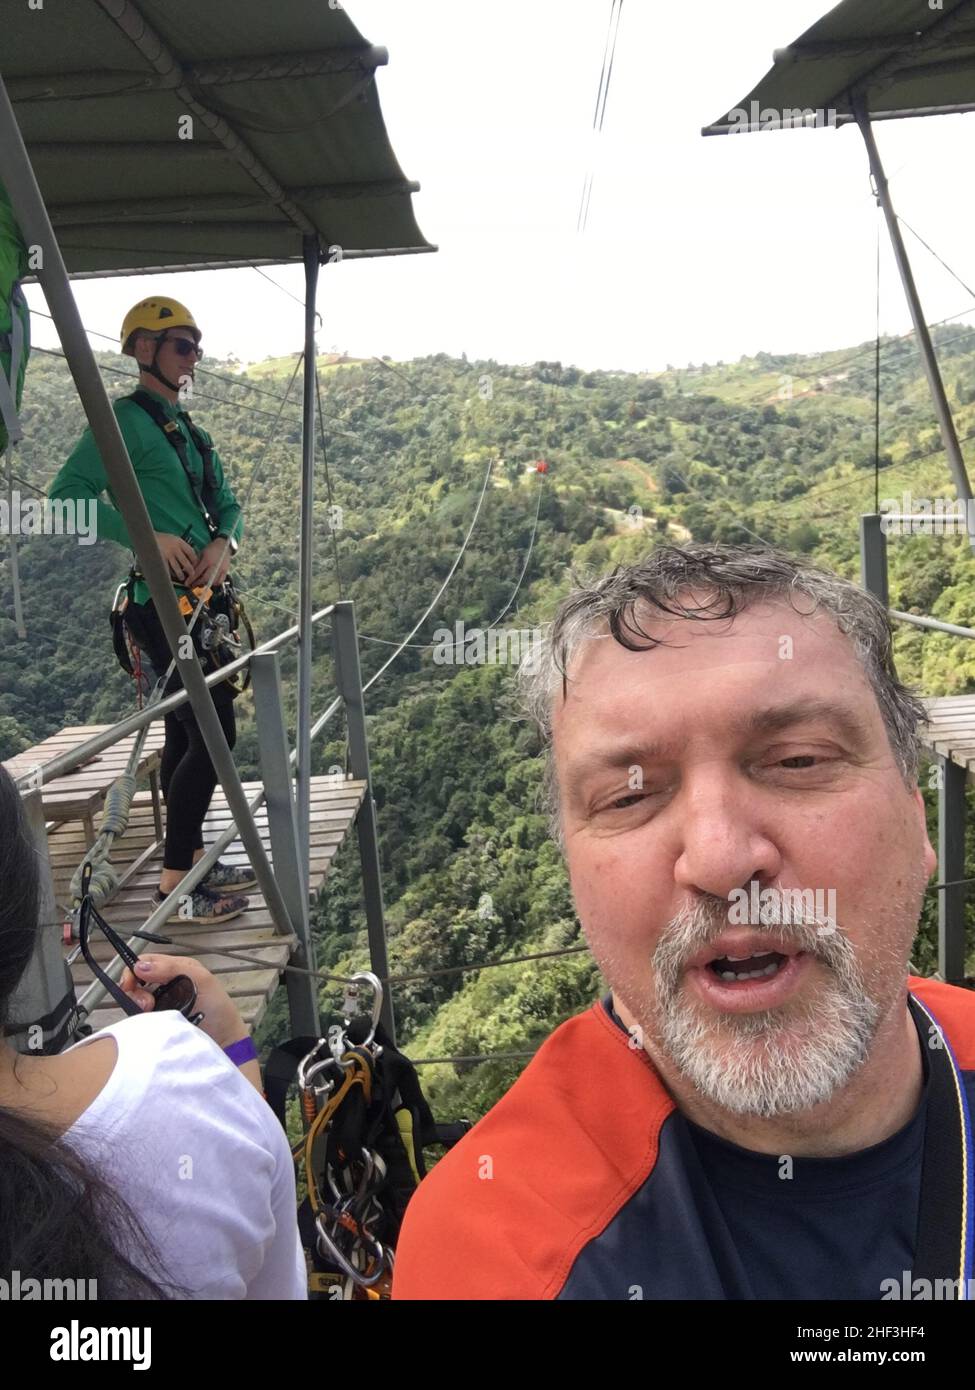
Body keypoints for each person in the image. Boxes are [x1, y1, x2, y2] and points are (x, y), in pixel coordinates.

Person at [393, 543, 975, 1300]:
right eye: (628, 797)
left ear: (916, 816)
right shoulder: (502, 1253)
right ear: (572, 871)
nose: (719, 857)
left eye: (797, 760)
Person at [0, 763, 306, 1299]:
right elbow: (254, 1188)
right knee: (207, 739)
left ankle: (184, 869)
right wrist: (226, 1053)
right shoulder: (176, 1081)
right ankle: (181, 875)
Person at [49, 297, 255, 925]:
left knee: (187, 731)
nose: (192, 357)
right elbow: (67, 499)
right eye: (181, 345)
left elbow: (228, 505)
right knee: (216, 730)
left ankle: (189, 853)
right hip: (159, 605)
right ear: (144, 349)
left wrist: (224, 542)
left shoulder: (189, 432)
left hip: (202, 602)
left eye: (196, 345)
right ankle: (177, 886)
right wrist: (145, 536)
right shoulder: (124, 423)